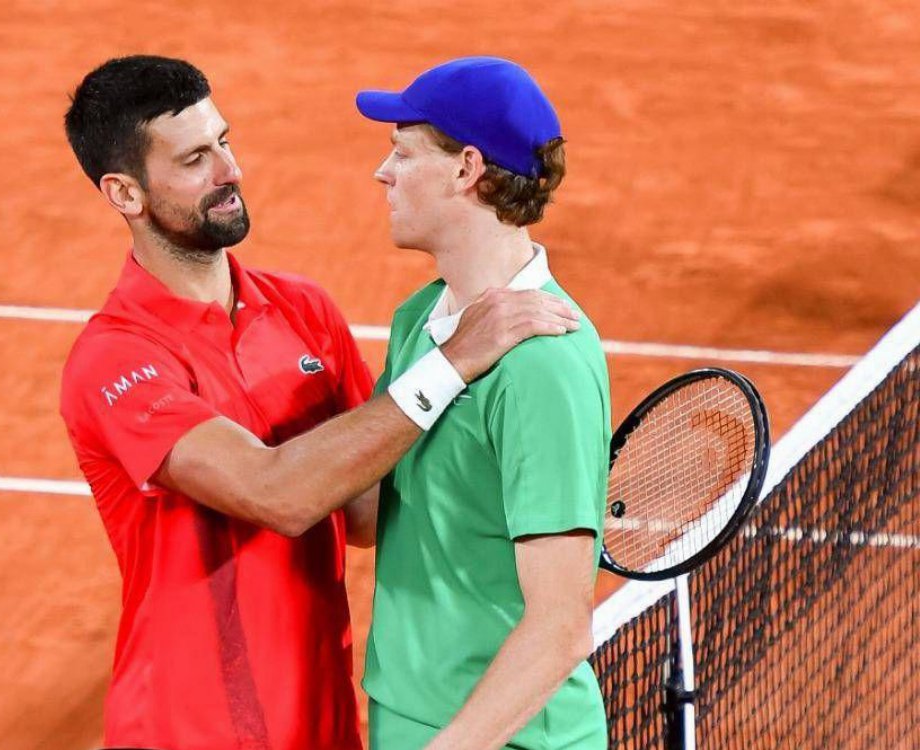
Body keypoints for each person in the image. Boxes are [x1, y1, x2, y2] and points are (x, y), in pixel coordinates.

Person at [58, 55, 582, 749]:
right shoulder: (117, 359)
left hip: (323, 726)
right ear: (125, 193)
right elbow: (278, 494)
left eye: (224, 141)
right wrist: (452, 363)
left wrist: (532, 485)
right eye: (194, 160)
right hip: (187, 733)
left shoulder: (304, 311)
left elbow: (363, 510)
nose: (229, 171)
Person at [355, 57, 611, 749]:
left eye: (402, 153)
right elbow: (362, 515)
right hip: (407, 711)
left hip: (503, 734)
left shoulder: (543, 364)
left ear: (467, 168)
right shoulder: (419, 322)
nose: (384, 174)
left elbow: (561, 628)